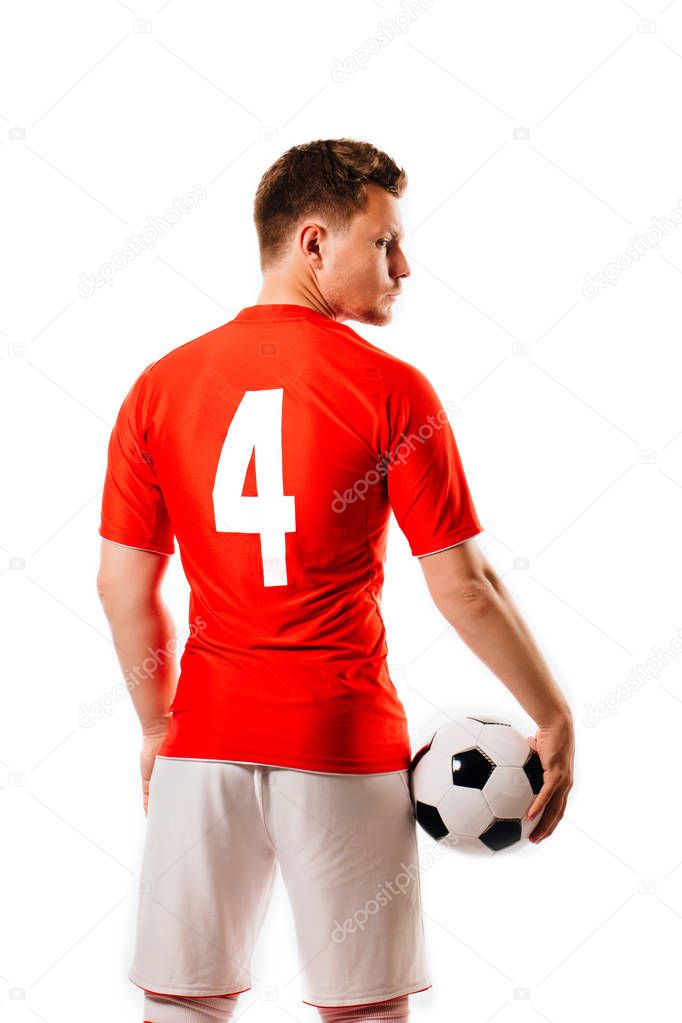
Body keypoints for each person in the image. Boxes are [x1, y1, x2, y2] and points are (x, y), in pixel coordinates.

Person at [96, 137, 574, 1023]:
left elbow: (123, 585)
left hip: (203, 743)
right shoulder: (391, 390)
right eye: (384, 242)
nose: (404, 266)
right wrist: (553, 712)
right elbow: (464, 585)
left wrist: (161, 724)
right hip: (341, 744)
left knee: (184, 1007)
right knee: (361, 1014)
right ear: (313, 242)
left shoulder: (158, 388)